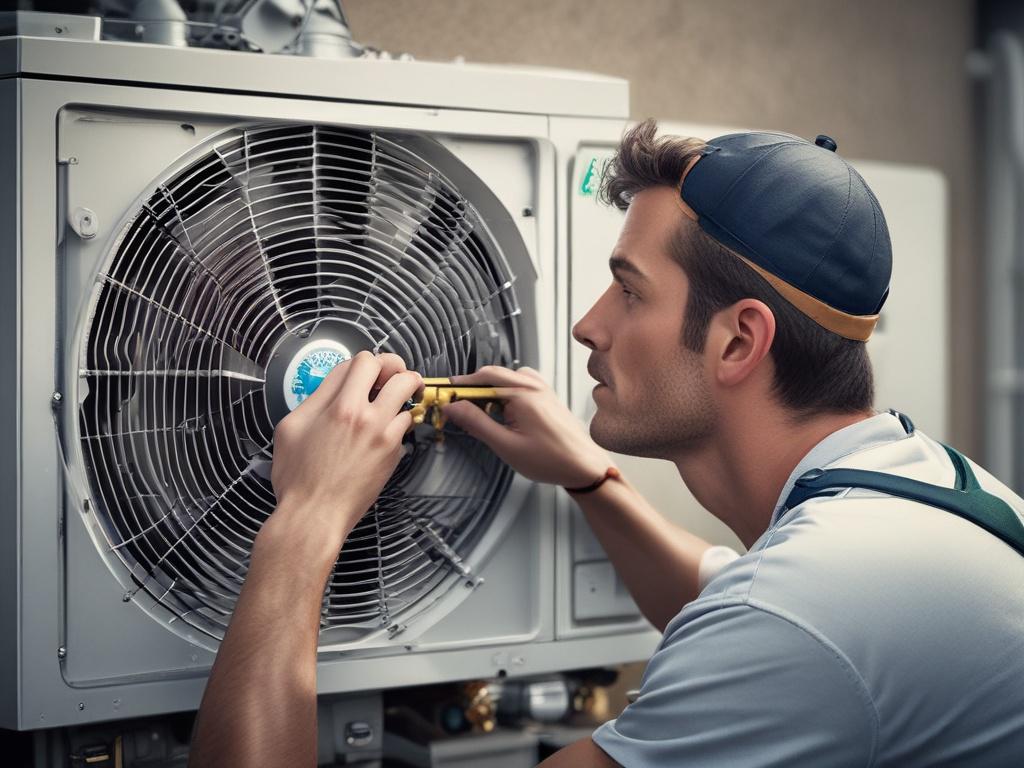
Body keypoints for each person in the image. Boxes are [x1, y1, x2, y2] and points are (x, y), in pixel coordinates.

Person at [189, 121, 1024, 768]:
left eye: (630, 292)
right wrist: (589, 478)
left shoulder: (803, 617)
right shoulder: (924, 493)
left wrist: (307, 520)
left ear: (739, 342)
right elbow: (720, 597)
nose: (590, 325)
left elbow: (772, 624)